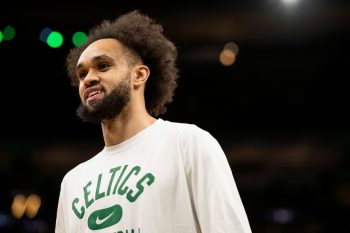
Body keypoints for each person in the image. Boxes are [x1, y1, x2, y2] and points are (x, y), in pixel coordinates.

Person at [55, 10, 252, 233]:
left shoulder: (188, 144)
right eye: (82, 74)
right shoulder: (72, 182)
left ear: (139, 75)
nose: (88, 79)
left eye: (103, 66)